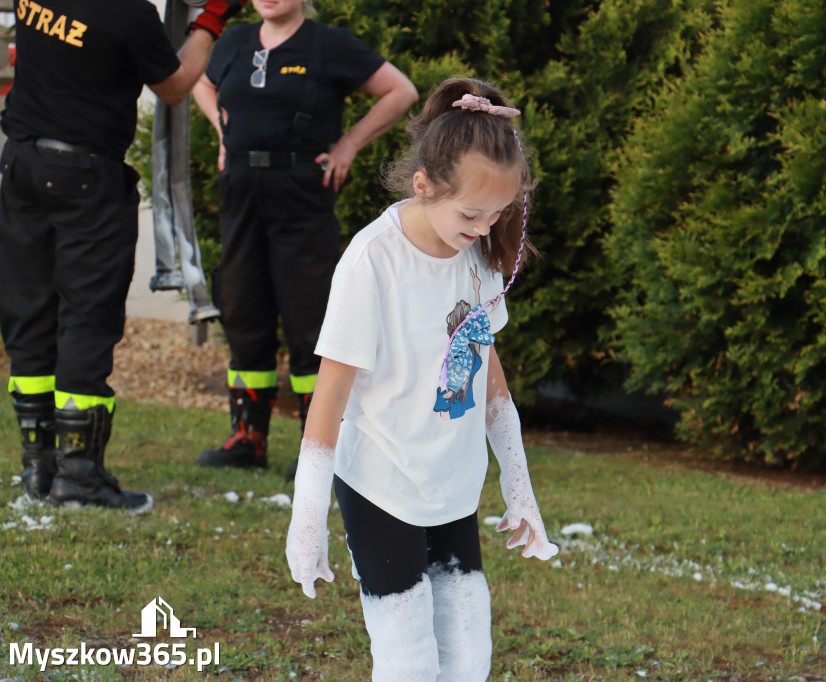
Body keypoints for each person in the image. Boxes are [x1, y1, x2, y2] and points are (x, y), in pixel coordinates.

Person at [285, 77, 559, 681]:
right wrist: (307, 520)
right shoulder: (371, 260)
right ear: (423, 185)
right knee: (408, 658)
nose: (485, 230)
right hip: (382, 482)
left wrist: (520, 487)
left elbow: (487, 375)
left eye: (497, 214)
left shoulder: (479, 255)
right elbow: (329, 395)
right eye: (471, 213)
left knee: (467, 653)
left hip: (451, 485)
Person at [0, 0, 247, 512]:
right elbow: (176, 86)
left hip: (23, 165)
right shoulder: (128, 14)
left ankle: (38, 466)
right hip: (87, 177)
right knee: (87, 321)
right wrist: (210, 20)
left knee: (29, 314)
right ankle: (79, 477)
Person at [191, 0, 417, 474]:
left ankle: (317, 450)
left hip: (300, 192)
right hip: (239, 191)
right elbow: (200, 81)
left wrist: (349, 145)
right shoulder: (233, 41)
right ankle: (246, 438)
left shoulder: (328, 45)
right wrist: (222, 133)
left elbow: (400, 91)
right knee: (241, 307)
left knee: (309, 317)